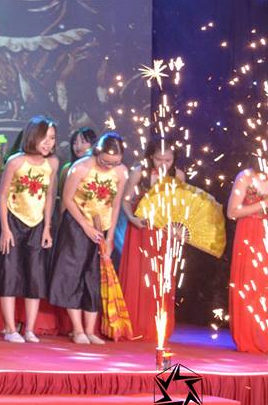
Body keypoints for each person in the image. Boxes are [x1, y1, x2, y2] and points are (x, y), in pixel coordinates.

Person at [48, 132, 128, 345]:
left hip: (102, 228)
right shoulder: (81, 167)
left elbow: (116, 205)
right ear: (97, 151)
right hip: (76, 226)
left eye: (114, 162)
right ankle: (78, 330)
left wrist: (110, 237)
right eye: (105, 161)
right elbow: (67, 199)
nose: (109, 166)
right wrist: (85, 226)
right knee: (73, 275)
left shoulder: (121, 172)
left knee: (94, 278)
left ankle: (90, 330)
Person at [0, 116, 59, 343]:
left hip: (37, 224)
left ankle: (29, 329)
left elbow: (49, 197)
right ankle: (11, 329)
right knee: (9, 273)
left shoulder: (52, 164)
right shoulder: (16, 162)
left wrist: (47, 228)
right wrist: (5, 229)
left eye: (52, 138)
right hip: (12, 221)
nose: (48, 143)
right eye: (44, 137)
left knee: (35, 276)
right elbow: (2, 196)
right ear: (32, 136)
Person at [118, 137, 185, 343]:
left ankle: (156, 327)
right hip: (141, 231)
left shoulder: (178, 176)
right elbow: (125, 201)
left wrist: (177, 227)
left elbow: (181, 207)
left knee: (160, 278)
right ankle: (133, 324)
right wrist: (132, 218)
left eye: (168, 160)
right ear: (150, 157)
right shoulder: (140, 172)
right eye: (158, 159)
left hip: (164, 233)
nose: (163, 164)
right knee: (138, 274)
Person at [226, 167, 268, 354]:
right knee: (252, 284)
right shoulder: (246, 176)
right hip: (251, 234)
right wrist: (263, 205)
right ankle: (251, 336)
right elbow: (232, 212)